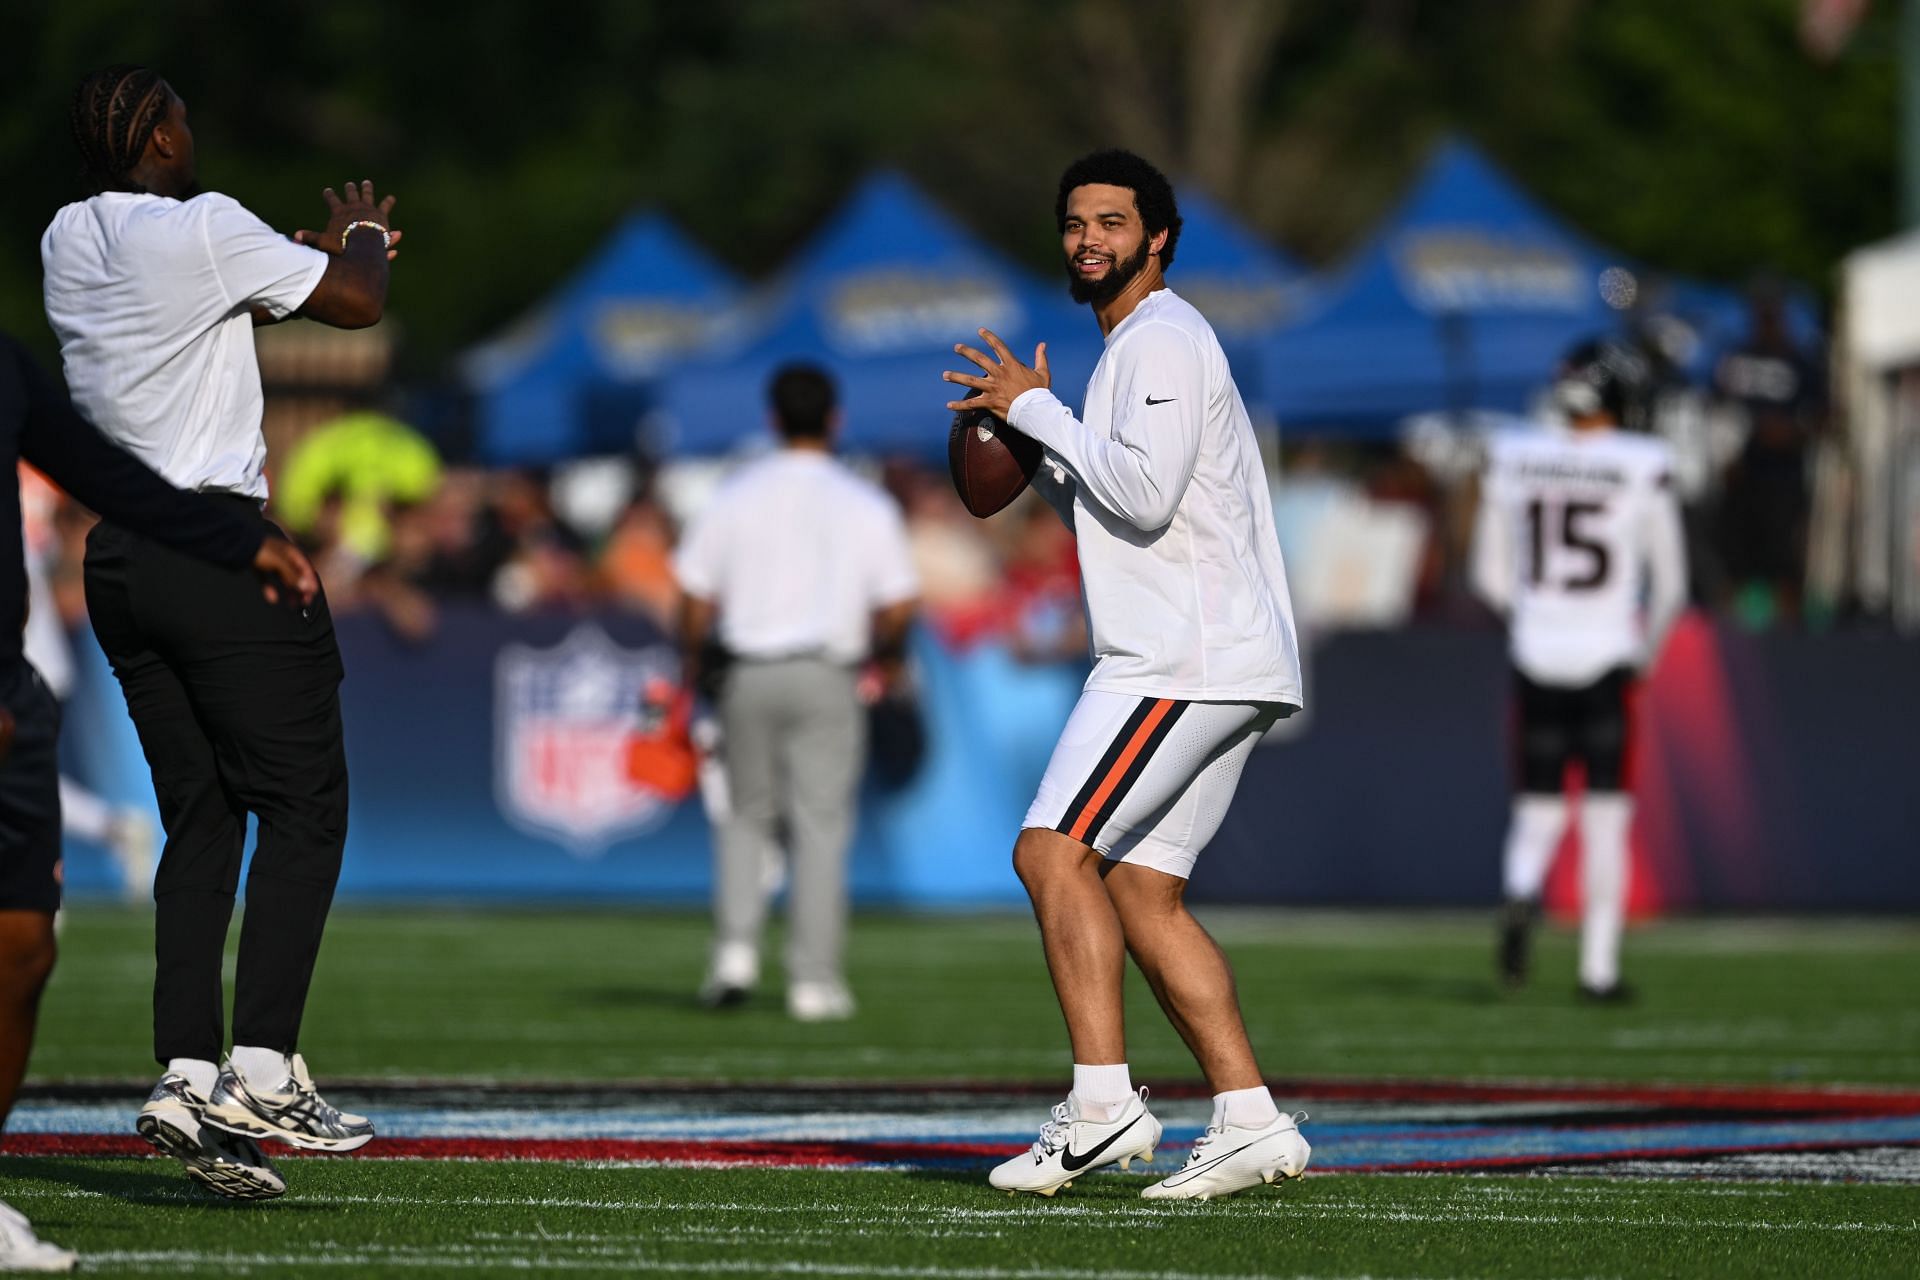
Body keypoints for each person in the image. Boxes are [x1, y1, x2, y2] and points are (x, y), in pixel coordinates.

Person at [40, 66, 397, 1196]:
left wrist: (278, 266)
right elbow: (355, 303)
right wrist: (365, 238)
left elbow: (200, 306)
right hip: (215, 542)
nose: (196, 136)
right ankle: (259, 1063)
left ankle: (186, 1070)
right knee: (305, 802)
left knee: (201, 818)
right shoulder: (202, 229)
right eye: (183, 120)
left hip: (121, 555)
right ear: (152, 135)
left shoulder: (63, 236)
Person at [941, 150, 1309, 1201]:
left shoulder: (1160, 337)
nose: (1087, 238)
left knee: (1050, 853)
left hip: (1179, 657)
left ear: (1160, 237)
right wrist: (1047, 441)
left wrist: (1037, 410)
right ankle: (1248, 1116)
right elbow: (1123, 514)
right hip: (1214, 651)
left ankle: (1101, 1105)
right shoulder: (1136, 350)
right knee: (1145, 895)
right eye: (1074, 222)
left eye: (1111, 220)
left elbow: (1141, 498)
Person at [0, 331, 319, 1260]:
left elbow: (106, 472)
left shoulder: (10, 365)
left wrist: (232, 537)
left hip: (14, 680)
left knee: (24, 954)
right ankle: (245, 1066)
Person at [673, 364, 919, 1022]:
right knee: (819, 827)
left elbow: (693, 595)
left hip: (747, 670)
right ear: (834, 420)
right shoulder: (864, 502)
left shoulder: (736, 493)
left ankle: (734, 953)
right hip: (826, 673)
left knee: (745, 816)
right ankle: (812, 980)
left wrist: (694, 665)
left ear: (773, 418)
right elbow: (896, 605)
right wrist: (889, 658)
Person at [1470, 338, 1688, 1001]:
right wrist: (1640, 654)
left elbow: (1487, 575)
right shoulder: (1640, 464)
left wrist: (1536, 619)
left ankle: (1518, 892)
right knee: (1604, 819)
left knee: (1537, 807)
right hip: (1604, 658)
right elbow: (1671, 585)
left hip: (1537, 653)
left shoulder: (1517, 456)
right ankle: (1599, 971)